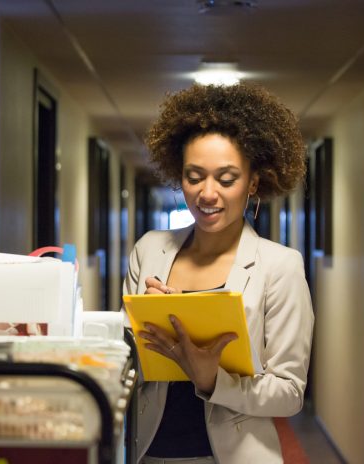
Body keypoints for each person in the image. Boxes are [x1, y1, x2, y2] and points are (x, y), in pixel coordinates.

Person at [123, 82, 315, 464]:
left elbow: (290, 392)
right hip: (148, 452)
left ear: (253, 182)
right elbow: (125, 364)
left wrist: (211, 379)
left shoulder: (280, 266)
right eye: (194, 176)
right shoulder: (149, 250)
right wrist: (142, 333)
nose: (207, 193)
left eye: (226, 179)